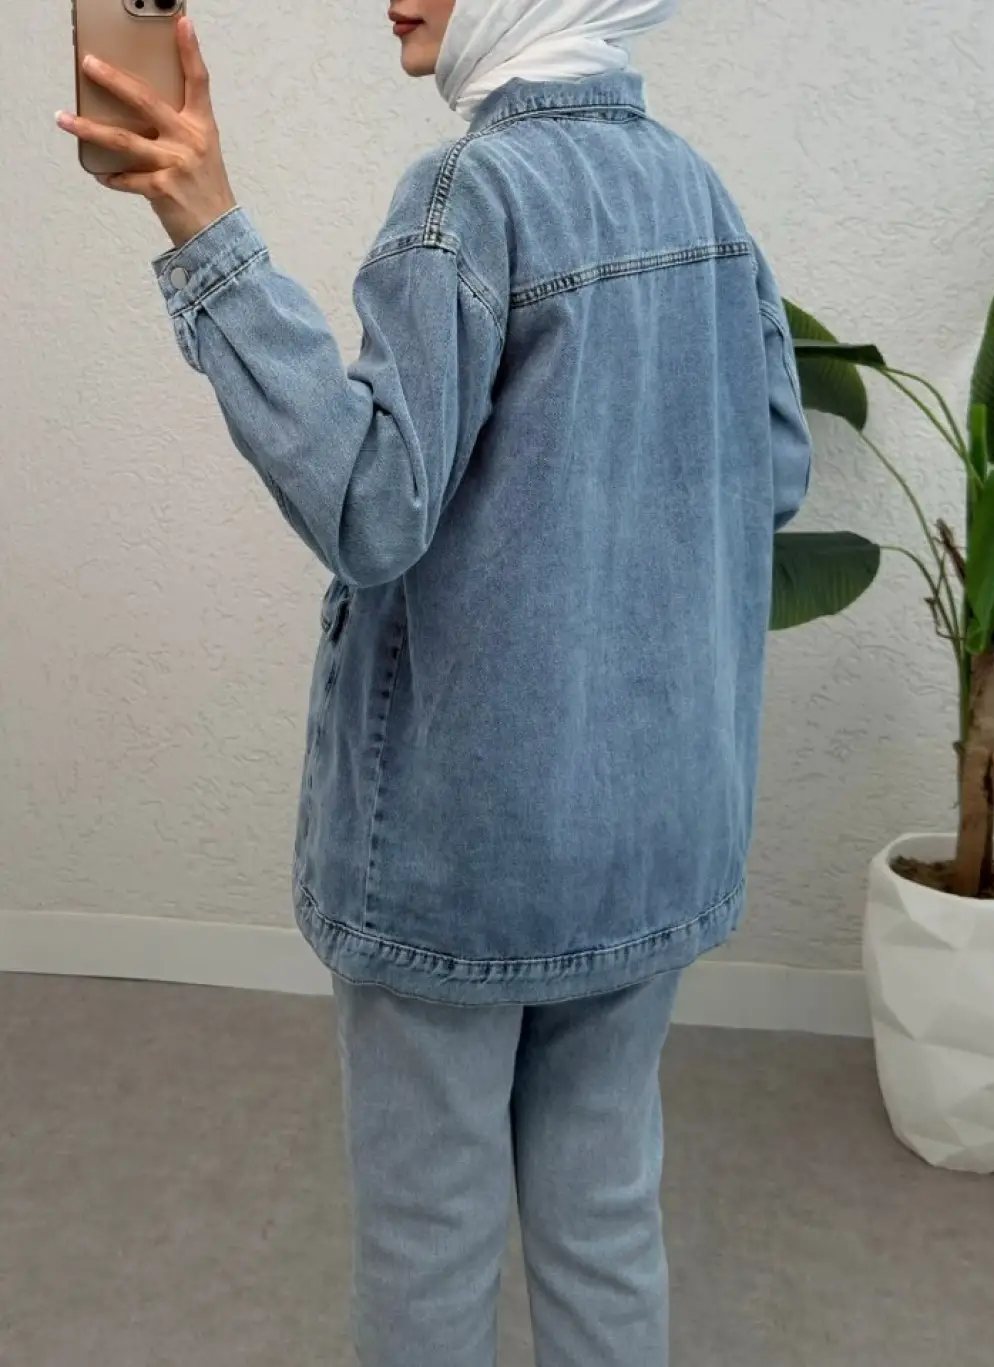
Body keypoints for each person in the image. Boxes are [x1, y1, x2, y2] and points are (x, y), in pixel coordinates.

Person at [58, 2, 811, 1363]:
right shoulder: (700, 192)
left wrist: (210, 235)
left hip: (468, 851)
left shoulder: (471, 194)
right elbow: (775, 468)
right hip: (656, 838)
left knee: (430, 1238)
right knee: (606, 1218)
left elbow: (370, 507)